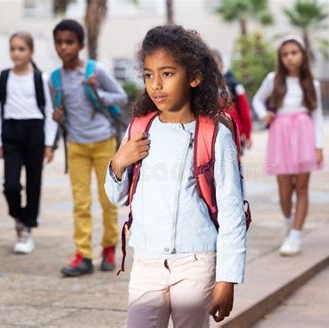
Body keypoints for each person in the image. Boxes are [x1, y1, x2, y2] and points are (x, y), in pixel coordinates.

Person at [104, 25, 247, 327]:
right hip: (146, 262)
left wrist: (228, 278)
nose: (156, 85)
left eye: (167, 74)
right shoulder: (139, 128)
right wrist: (118, 163)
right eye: (148, 75)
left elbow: (233, 212)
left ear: (194, 77)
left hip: (196, 261)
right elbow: (118, 195)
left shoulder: (214, 135)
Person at [50, 19, 128, 276]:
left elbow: (121, 97)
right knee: (80, 203)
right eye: (59, 42)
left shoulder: (96, 71)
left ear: (81, 45)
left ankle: (108, 248)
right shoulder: (54, 78)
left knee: (108, 200)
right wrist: (58, 117)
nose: (64, 47)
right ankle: (83, 255)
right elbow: (60, 112)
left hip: (104, 142)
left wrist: (98, 91)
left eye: (69, 42)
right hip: (76, 146)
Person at [252, 35, 324, 256]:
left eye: (294, 53)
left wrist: (318, 145)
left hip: (304, 135)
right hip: (280, 136)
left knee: (301, 188)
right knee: (284, 190)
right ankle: (290, 221)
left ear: (302, 55)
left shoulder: (312, 84)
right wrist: (264, 114)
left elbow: (317, 115)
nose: (290, 58)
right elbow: (256, 100)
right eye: (285, 54)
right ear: (280, 58)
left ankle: (296, 235)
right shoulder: (273, 79)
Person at [0, 32, 58, 254]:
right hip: (11, 132)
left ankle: (26, 229)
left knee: (33, 182)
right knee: (10, 185)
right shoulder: (1, 77)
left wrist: (49, 144)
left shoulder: (42, 78)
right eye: (13, 48)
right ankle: (19, 215)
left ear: (30, 52)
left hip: (35, 132)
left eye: (21, 49)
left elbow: (49, 112)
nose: (16, 53)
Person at [211, 49, 253, 151]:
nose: (211, 68)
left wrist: (247, 135)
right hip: (210, 133)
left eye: (214, 64)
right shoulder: (199, 87)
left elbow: (244, 111)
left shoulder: (234, 85)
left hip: (233, 132)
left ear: (221, 65)